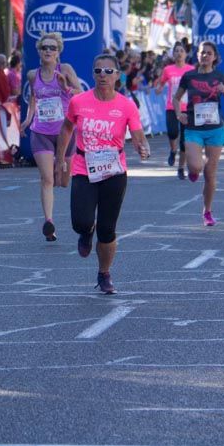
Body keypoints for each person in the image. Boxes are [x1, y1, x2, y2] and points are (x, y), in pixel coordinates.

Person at [56, 53, 149, 294]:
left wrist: (142, 146)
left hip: (114, 171)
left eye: (109, 72)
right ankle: (86, 233)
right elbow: (67, 128)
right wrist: (60, 160)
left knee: (107, 230)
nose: (103, 76)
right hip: (84, 167)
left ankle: (104, 273)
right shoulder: (79, 101)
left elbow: (137, 133)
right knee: (81, 221)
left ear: (118, 76)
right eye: (98, 71)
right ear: (93, 74)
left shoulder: (126, 105)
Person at [20, 32, 78, 241]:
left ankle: (60, 166)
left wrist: (65, 87)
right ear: (39, 51)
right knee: (46, 178)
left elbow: (80, 94)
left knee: (63, 181)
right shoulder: (32, 75)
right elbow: (34, 99)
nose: (48, 51)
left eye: (52, 48)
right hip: (41, 132)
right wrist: (28, 119)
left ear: (58, 52)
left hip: (66, 132)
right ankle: (49, 223)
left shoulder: (65, 70)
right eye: (44, 47)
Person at [173, 40, 224, 227]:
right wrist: (179, 114)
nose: (205, 56)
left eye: (209, 53)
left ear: (214, 57)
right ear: (197, 55)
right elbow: (176, 98)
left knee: (210, 174)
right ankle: (193, 170)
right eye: (202, 53)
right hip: (194, 128)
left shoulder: (221, 77)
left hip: (215, 130)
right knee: (195, 166)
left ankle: (207, 211)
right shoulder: (189, 76)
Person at [156, 42, 194, 179]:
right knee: (172, 132)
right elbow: (161, 83)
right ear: (173, 54)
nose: (179, 53)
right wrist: (159, 88)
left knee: (184, 141)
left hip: (187, 108)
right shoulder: (168, 69)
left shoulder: (191, 70)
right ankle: (173, 150)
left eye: (181, 51)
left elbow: (196, 87)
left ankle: (181, 168)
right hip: (172, 106)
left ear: (186, 54)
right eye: (176, 51)